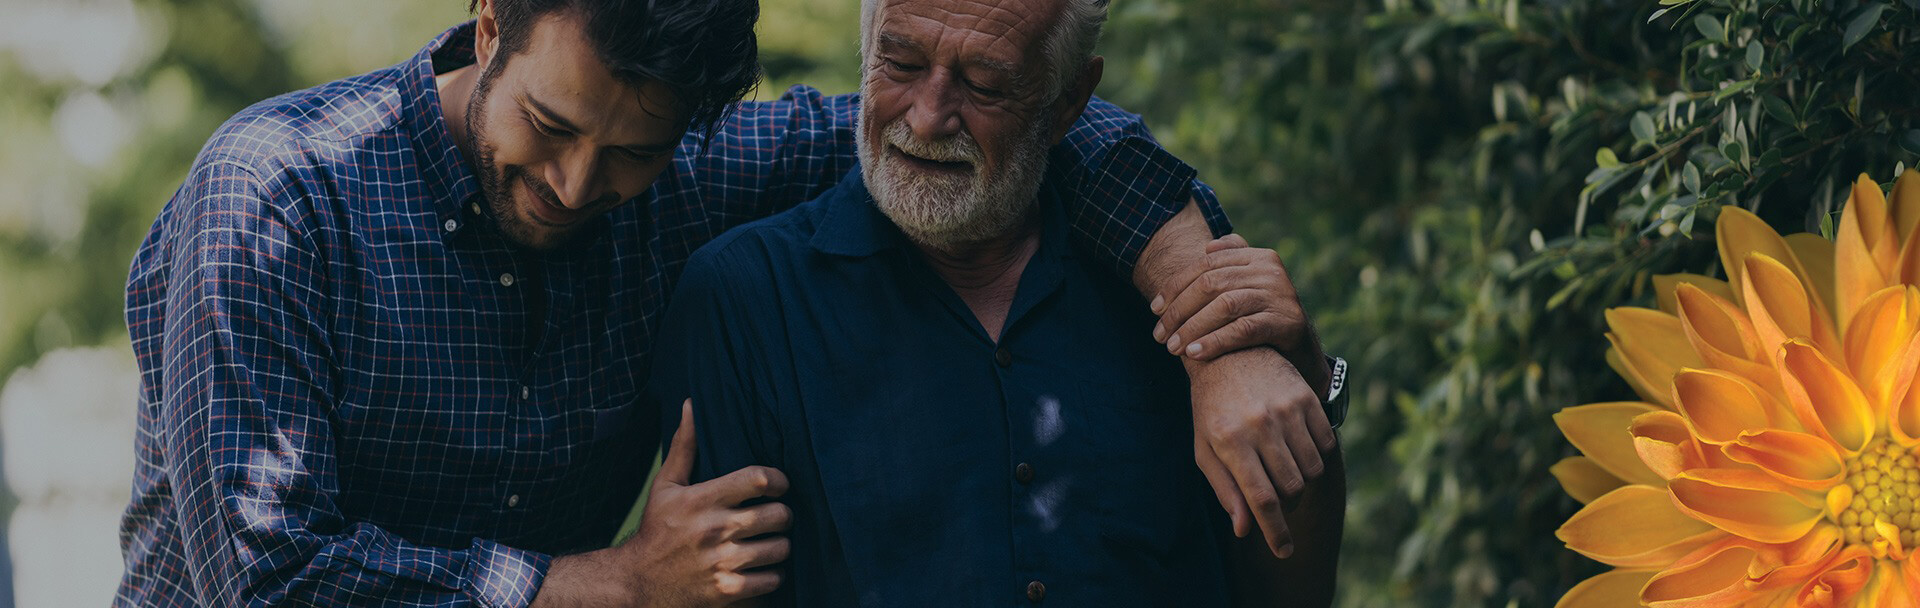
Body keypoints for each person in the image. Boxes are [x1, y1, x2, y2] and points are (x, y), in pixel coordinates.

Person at [117, 0, 1337, 606]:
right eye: (548, 124)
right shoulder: (278, 194)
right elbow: (270, 581)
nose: (576, 185)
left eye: (633, 153)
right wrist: (610, 583)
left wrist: (1212, 321)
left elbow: (1033, 129)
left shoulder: (684, 181)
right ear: (489, 23)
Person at [650, 0, 1346, 605]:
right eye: (899, 63)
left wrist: (1301, 388)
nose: (926, 120)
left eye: (984, 84)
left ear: (1070, 100)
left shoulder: (1177, 285)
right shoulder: (743, 299)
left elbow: (1284, 587)